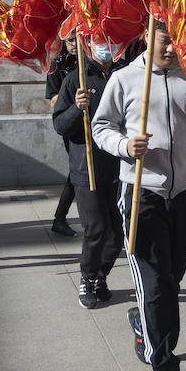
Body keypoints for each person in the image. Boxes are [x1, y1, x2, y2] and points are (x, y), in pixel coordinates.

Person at [91, 22, 186, 371]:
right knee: (155, 285)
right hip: (141, 195)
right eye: (165, 39)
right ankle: (167, 368)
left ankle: (143, 322)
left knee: (172, 280)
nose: (171, 48)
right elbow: (100, 126)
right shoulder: (123, 80)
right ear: (148, 36)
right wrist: (124, 144)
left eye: (176, 40)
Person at [52, 40, 122, 308]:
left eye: (110, 40)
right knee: (96, 229)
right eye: (99, 41)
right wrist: (76, 107)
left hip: (117, 166)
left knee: (117, 234)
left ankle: (100, 277)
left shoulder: (121, 76)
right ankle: (87, 278)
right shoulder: (75, 80)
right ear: (89, 45)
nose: (106, 47)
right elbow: (60, 125)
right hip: (86, 168)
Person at [44, 32, 79, 237]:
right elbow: (54, 100)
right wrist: (73, 101)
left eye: (78, 39)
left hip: (95, 122)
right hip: (71, 124)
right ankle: (60, 217)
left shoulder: (91, 60)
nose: (75, 44)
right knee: (78, 169)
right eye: (70, 40)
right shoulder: (56, 65)